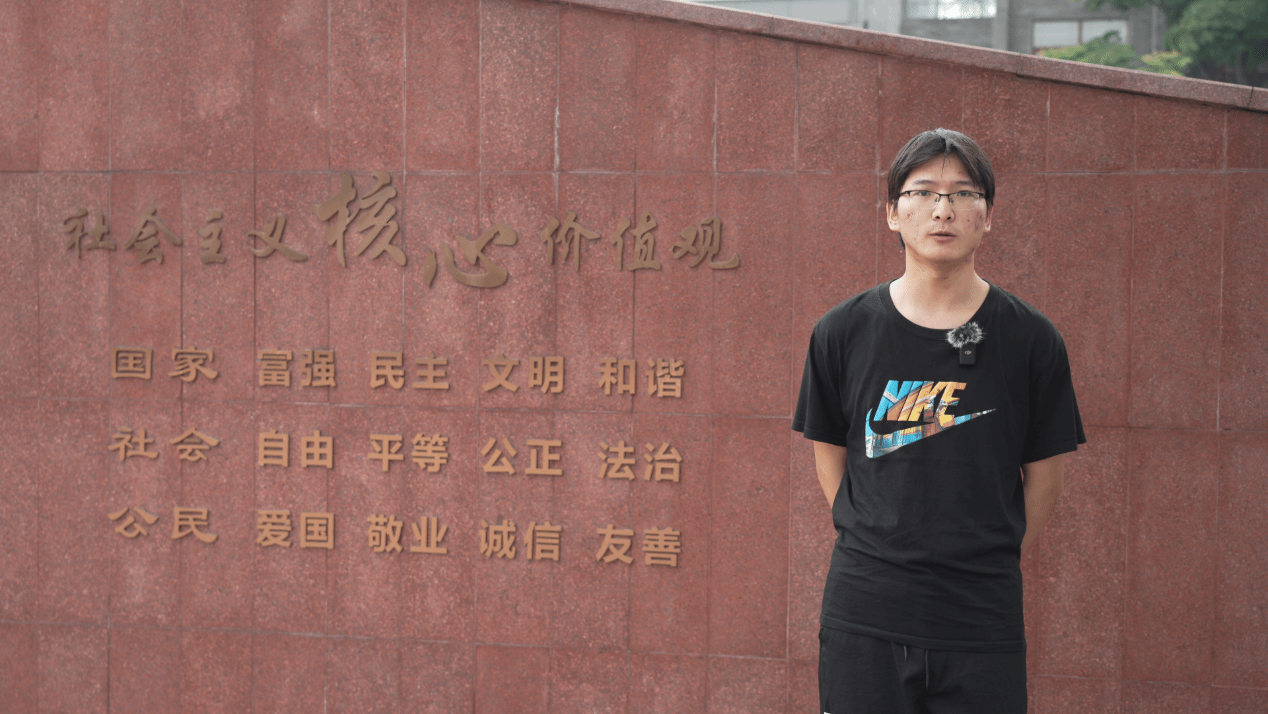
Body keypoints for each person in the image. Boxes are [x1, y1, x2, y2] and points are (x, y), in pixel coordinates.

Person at [793, 128, 1085, 714]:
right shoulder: (842, 332)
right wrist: (880, 541)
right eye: (923, 192)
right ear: (892, 213)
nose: (943, 209)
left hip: (981, 620)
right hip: (866, 615)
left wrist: (981, 557)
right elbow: (832, 459)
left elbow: (1045, 480)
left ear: (988, 215)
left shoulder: (1031, 339)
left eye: (963, 193)